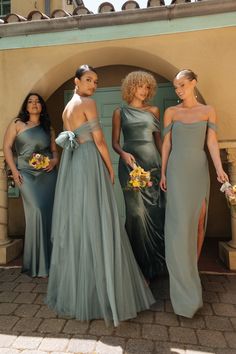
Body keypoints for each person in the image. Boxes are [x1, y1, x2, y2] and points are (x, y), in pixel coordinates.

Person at [45, 64, 155, 326]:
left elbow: (68, 137)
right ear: (77, 81)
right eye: (89, 80)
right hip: (89, 162)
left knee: (82, 222)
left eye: (95, 81)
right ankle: (105, 292)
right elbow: (100, 141)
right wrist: (109, 168)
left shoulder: (66, 108)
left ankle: (82, 291)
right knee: (100, 218)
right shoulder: (88, 103)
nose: (93, 85)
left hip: (73, 166)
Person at [160, 69, 229, 318]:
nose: (178, 90)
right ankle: (183, 285)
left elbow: (211, 142)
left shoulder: (208, 110)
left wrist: (220, 169)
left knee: (199, 223)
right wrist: (164, 172)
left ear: (193, 83)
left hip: (199, 171)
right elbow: (166, 144)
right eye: (176, 87)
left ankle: (191, 272)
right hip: (177, 171)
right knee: (180, 227)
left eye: (182, 85)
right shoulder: (172, 112)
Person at [112, 71, 166, 282]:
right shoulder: (120, 112)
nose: (144, 91)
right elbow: (115, 142)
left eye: (147, 87)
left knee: (155, 213)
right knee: (135, 215)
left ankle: (155, 264)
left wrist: (165, 166)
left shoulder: (154, 110)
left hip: (153, 164)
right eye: (139, 86)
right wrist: (123, 154)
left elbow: (159, 140)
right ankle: (135, 266)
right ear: (131, 88)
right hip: (130, 165)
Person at [3, 93, 58, 277]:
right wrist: (14, 170)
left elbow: (54, 153)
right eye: (30, 101)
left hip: (47, 176)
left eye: (37, 102)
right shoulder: (17, 124)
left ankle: (49, 262)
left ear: (42, 107)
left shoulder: (48, 128)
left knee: (48, 214)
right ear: (26, 106)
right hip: (25, 174)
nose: (34, 104)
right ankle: (36, 263)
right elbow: (7, 148)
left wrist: (54, 162)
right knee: (36, 210)